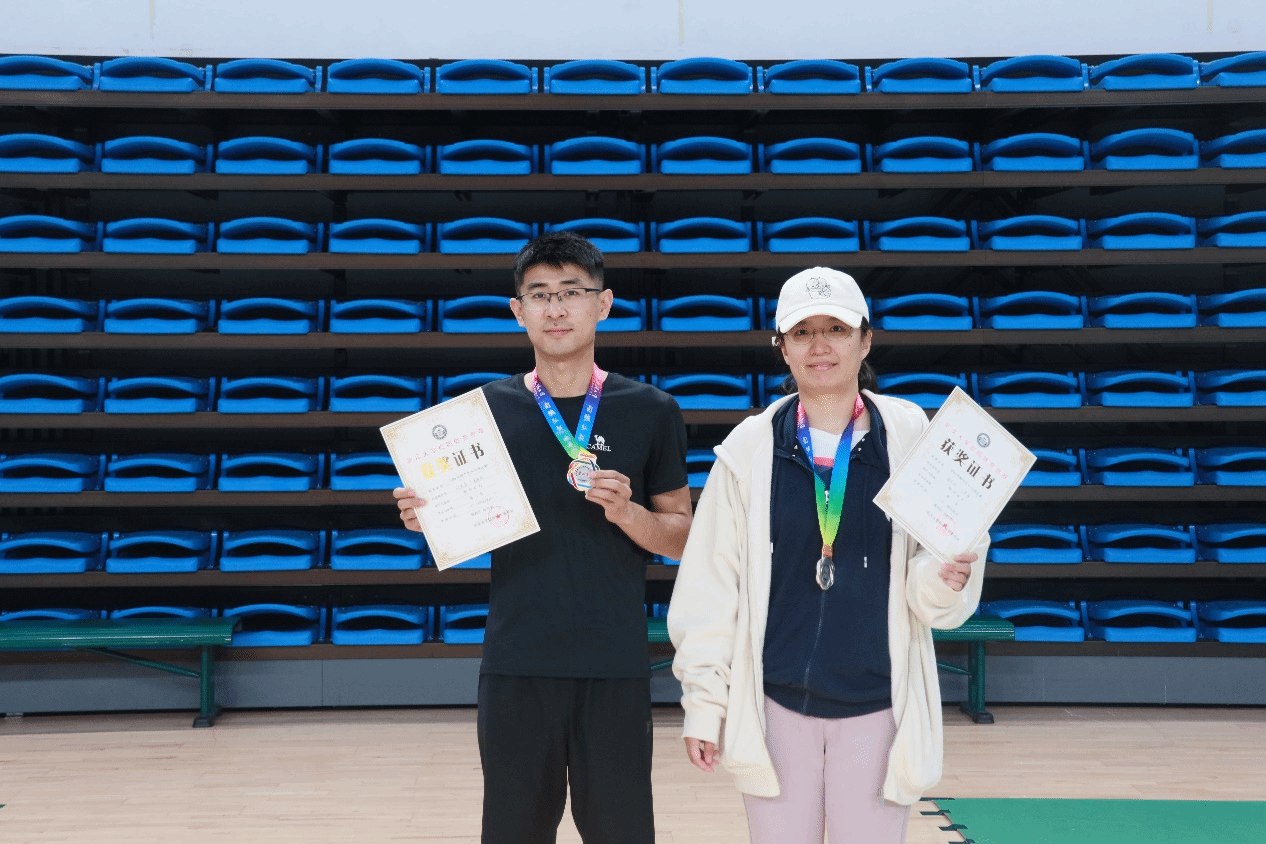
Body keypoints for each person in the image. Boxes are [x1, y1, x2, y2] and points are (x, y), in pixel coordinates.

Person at [666, 267, 986, 844]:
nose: (819, 346)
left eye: (836, 329)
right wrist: (705, 706)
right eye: (803, 332)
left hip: (878, 706)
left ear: (865, 340)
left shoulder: (912, 437)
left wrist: (945, 579)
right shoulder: (747, 449)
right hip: (775, 706)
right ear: (782, 348)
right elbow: (709, 591)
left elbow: (933, 593)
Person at [393, 231, 692, 844]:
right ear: (518, 310)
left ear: (603, 304)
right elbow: (461, 523)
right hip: (516, 662)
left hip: (614, 663)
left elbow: (683, 538)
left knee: (622, 833)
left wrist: (628, 513)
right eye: (540, 295)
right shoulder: (480, 415)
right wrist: (430, 516)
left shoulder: (652, 409)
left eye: (571, 292)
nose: (556, 309)